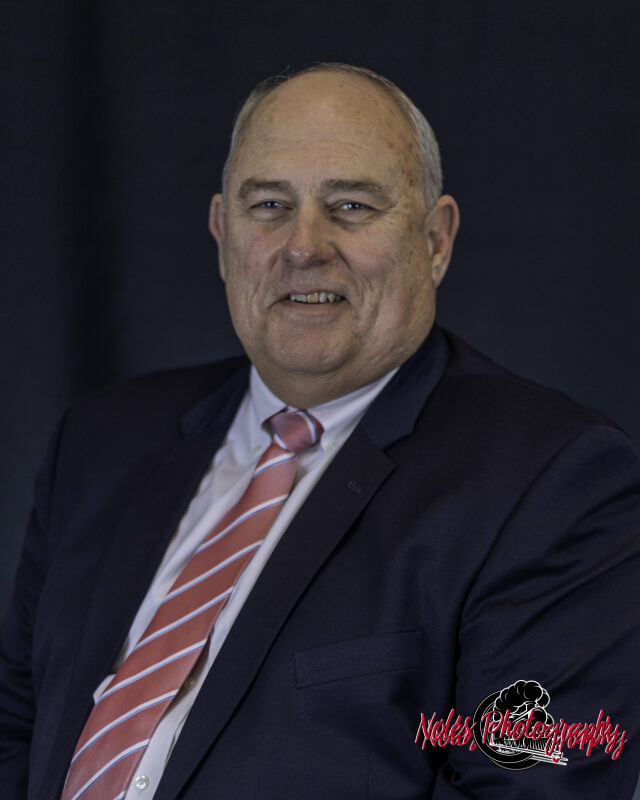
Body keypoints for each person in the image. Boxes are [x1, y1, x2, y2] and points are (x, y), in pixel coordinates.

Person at [1, 63, 638, 800]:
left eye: (352, 206)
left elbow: (532, 787)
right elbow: (17, 724)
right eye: (269, 204)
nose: (303, 245)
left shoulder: (555, 481)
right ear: (222, 232)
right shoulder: (102, 441)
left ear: (436, 240)